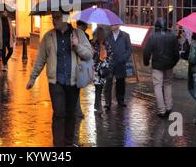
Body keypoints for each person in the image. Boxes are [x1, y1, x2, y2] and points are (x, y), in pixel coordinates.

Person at [26, 11, 93, 147]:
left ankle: (68, 144)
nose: (53, 20)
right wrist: (32, 78)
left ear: (65, 18)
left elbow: (89, 54)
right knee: (59, 114)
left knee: (71, 114)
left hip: (73, 81)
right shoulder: (48, 37)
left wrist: (77, 45)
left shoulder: (78, 34)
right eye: (52, 17)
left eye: (56, 17)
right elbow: (40, 59)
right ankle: (58, 145)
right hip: (55, 82)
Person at [143, 19, 180, 118]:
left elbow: (147, 52)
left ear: (156, 27)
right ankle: (169, 107)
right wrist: (173, 63)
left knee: (158, 86)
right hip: (169, 65)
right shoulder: (173, 37)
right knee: (168, 84)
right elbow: (177, 53)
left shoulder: (153, 37)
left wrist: (146, 62)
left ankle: (161, 110)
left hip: (157, 65)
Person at [104, 24, 132, 109]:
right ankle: (108, 102)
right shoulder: (107, 35)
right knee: (108, 82)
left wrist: (124, 58)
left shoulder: (125, 35)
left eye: (114, 24)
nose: (112, 26)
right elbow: (103, 47)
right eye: (111, 24)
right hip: (110, 63)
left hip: (120, 63)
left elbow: (129, 49)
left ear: (118, 25)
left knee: (120, 82)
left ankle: (120, 100)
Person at [92, 26, 113, 114]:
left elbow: (111, 55)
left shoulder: (107, 44)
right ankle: (98, 107)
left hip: (104, 69)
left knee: (101, 88)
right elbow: (91, 57)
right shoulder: (93, 44)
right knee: (98, 88)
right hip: (96, 70)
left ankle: (98, 105)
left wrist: (106, 62)